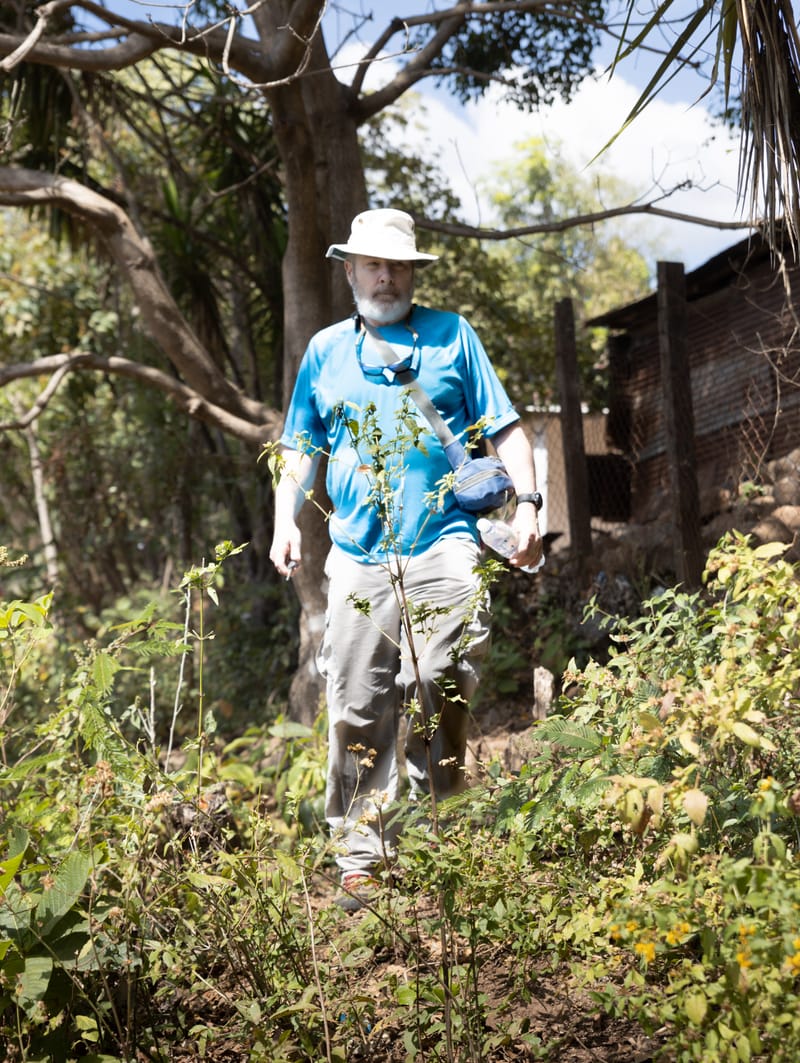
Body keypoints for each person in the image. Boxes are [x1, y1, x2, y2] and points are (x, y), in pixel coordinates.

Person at [269, 208, 542, 909]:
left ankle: (438, 816)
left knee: (441, 674)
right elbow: (299, 447)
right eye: (372, 264)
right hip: (357, 554)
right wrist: (285, 521)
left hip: (444, 539)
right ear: (350, 269)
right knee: (356, 708)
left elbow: (507, 428)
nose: (384, 276)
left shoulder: (453, 336)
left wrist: (532, 507)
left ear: (414, 272)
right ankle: (362, 853)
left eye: (397, 265)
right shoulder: (326, 352)